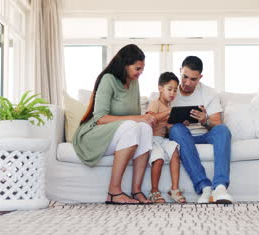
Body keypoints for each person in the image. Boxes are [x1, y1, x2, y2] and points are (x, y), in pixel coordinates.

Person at [73, 44, 154, 204]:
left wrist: (145, 117)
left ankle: (136, 191)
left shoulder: (134, 82)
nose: (140, 73)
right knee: (132, 125)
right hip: (96, 133)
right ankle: (114, 192)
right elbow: (100, 118)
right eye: (137, 68)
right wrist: (135, 119)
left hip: (120, 133)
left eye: (142, 69)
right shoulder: (108, 79)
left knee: (144, 127)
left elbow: (136, 118)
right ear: (125, 65)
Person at [169, 56, 233, 204]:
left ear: (200, 77)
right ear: (180, 71)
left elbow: (217, 123)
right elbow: (163, 126)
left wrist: (205, 120)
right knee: (177, 129)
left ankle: (220, 187)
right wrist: (177, 123)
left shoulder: (209, 93)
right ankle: (205, 187)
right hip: (183, 136)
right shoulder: (171, 91)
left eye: (193, 79)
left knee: (223, 130)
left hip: (204, 135)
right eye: (185, 77)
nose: (187, 83)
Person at [146, 72, 186, 204]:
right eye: (169, 89)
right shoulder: (155, 103)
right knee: (158, 159)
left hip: (163, 139)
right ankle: (154, 191)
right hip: (152, 138)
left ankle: (174, 189)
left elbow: (167, 126)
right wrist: (168, 113)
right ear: (160, 88)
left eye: (175, 90)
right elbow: (150, 119)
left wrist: (177, 123)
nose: (172, 93)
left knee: (175, 151)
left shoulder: (170, 107)